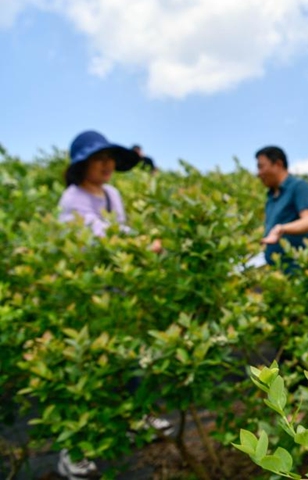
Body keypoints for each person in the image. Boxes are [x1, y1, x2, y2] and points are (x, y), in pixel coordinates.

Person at [55, 130, 168, 479]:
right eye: (98, 158)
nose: (107, 165)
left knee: (133, 353)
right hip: (88, 293)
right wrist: (142, 245)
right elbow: (100, 238)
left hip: (117, 289)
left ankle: (138, 416)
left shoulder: (112, 193)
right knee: (89, 366)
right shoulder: (72, 199)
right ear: (82, 164)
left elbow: (121, 230)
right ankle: (71, 448)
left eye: (110, 159)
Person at [256, 146, 308, 270]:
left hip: (297, 270)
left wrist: (281, 229)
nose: (259, 173)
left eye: (261, 167)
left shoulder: (299, 187)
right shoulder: (271, 195)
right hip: (275, 270)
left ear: (278, 164)